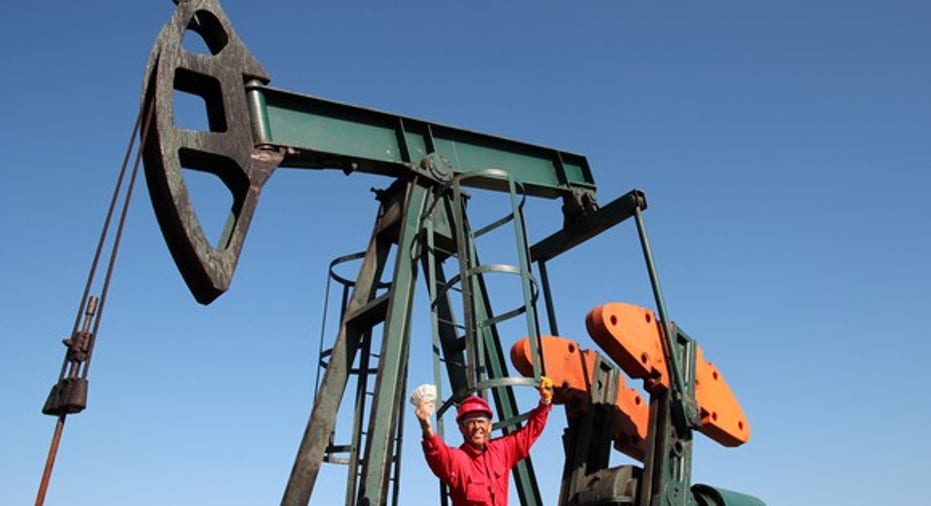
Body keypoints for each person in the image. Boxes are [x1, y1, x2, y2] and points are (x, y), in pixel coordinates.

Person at [414, 377, 554, 506]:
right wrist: (426, 427)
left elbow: (529, 433)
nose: (477, 427)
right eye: (470, 422)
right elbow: (437, 453)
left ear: (490, 426)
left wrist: (545, 402)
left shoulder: (502, 450)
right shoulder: (457, 460)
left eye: (481, 421)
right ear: (461, 428)